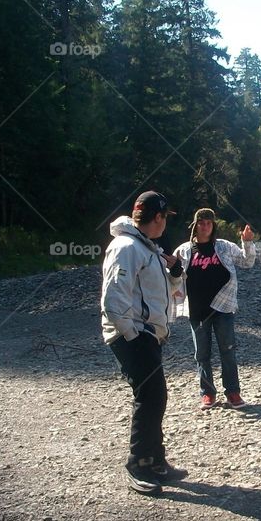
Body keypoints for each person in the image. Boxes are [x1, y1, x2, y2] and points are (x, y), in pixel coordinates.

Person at [101, 191, 187, 495]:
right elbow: (113, 297)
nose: (166, 224)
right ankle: (138, 465)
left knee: (155, 397)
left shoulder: (147, 247)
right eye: (165, 218)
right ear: (158, 217)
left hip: (146, 334)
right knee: (150, 397)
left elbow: (166, 292)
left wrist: (175, 272)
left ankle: (155, 462)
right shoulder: (126, 247)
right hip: (134, 335)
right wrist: (132, 334)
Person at [172, 208, 256, 409]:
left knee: (228, 351)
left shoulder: (224, 246)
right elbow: (171, 275)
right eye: (201, 223)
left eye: (209, 223)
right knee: (202, 354)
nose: (205, 226)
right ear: (195, 226)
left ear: (214, 225)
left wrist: (247, 243)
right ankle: (207, 394)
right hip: (197, 310)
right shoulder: (183, 250)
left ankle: (233, 393)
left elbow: (247, 262)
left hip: (223, 307)